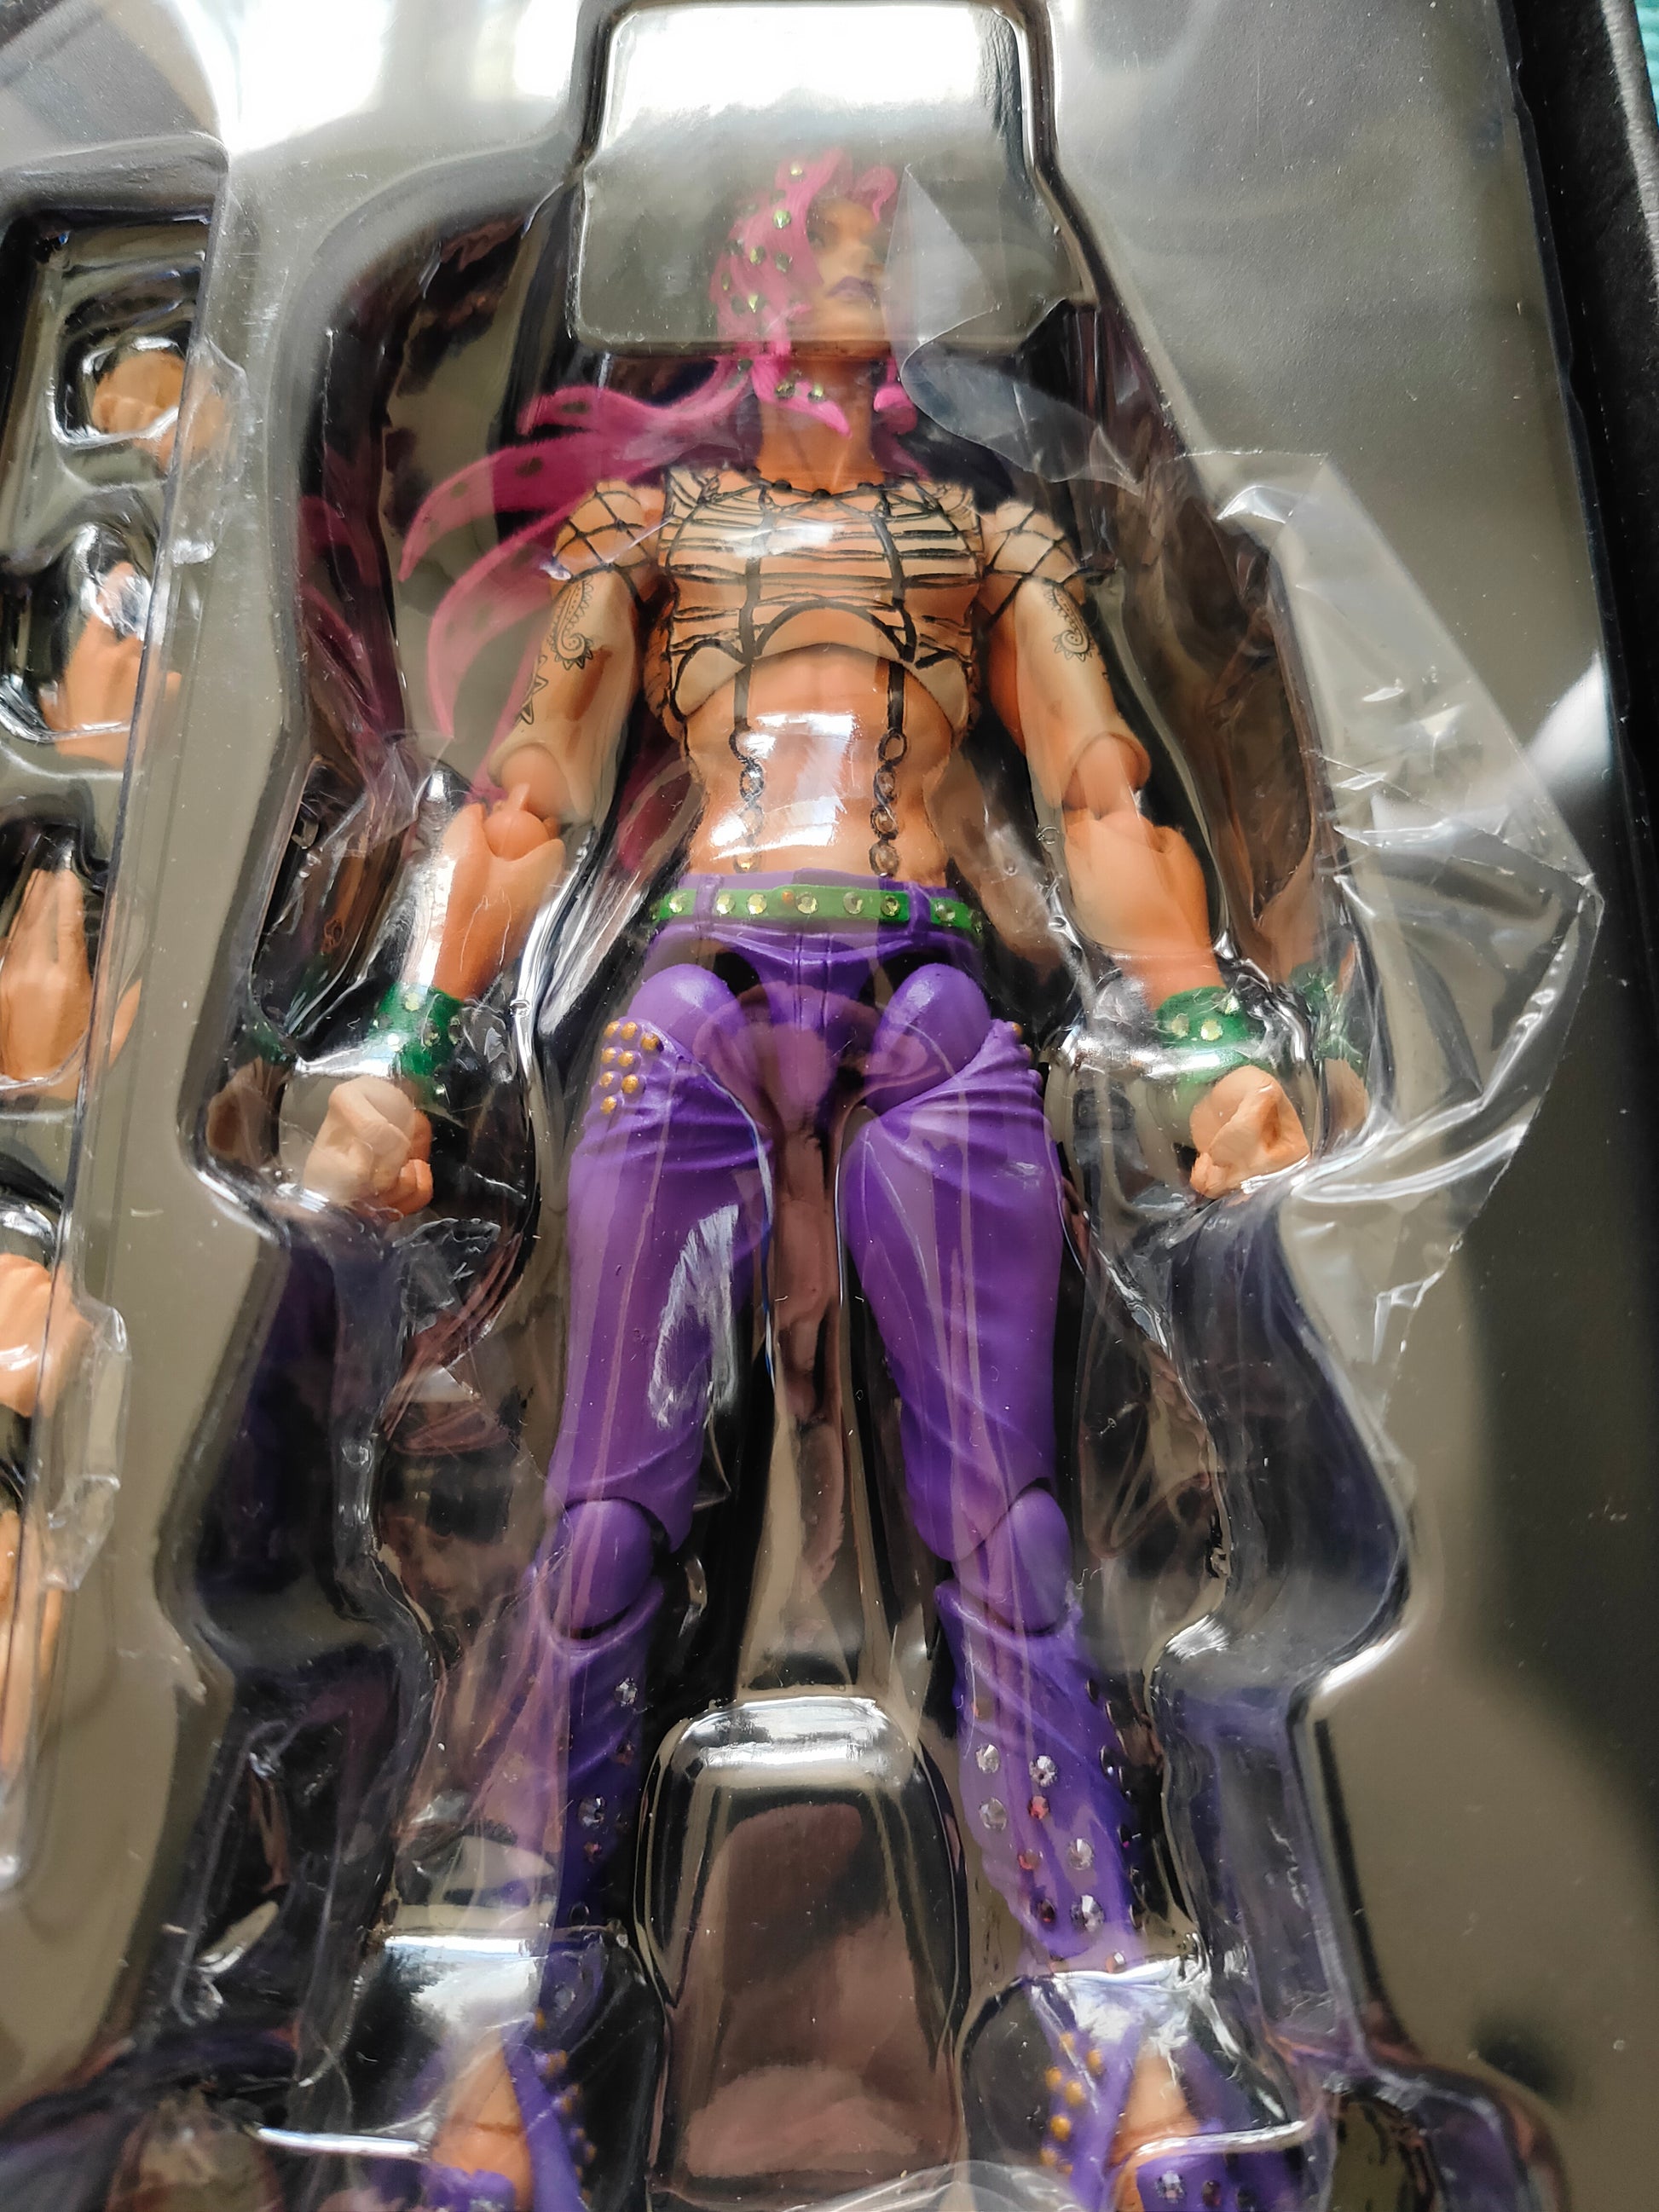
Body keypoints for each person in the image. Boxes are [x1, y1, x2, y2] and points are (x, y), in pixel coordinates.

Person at [303, 153, 1317, 2212]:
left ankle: (1104, 2010)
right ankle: (505, 2018)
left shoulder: (983, 532)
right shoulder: (655, 527)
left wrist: (1208, 1028)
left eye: (880, 246)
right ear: (743, 289)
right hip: (690, 994)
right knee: (599, 1523)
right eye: (823, 243)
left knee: (1006, 1528)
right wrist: (408, 1047)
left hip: (929, 996)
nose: (861, 272)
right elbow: (525, 799)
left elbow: (1101, 785)